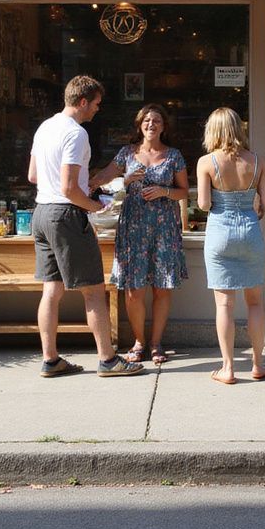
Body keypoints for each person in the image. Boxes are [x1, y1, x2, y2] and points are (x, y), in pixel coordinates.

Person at [27, 75, 144, 379]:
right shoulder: (76, 134)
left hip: (42, 212)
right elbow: (68, 188)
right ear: (82, 102)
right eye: (95, 104)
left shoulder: (45, 127)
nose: (97, 110)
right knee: (93, 291)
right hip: (66, 214)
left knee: (51, 290)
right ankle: (107, 359)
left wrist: (77, 188)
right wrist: (96, 205)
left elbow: (33, 176)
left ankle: (50, 360)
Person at [92, 103, 188, 365]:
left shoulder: (174, 156)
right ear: (139, 125)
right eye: (146, 120)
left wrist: (163, 191)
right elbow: (103, 178)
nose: (151, 124)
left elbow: (184, 192)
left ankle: (156, 343)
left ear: (163, 126)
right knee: (133, 289)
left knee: (161, 288)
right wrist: (121, 181)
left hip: (164, 227)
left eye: (156, 121)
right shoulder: (127, 153)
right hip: (133, 227)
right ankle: (139, 341)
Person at [196, 107, 265, 385]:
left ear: (212, 131)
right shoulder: (257, 161)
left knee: (224, 304)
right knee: (254, 302)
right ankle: (258, 364)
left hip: (220, 233)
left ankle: (228, 368)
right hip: (250, 232)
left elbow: (204, 204)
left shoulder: (207, 162)